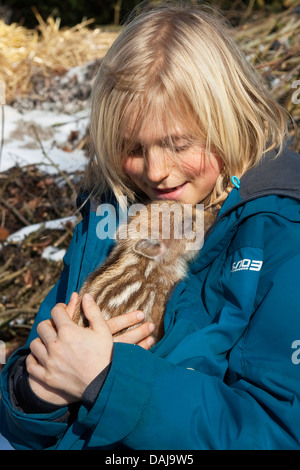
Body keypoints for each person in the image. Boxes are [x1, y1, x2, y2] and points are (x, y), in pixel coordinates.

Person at [1, 1, 300, 450]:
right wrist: (34, 394)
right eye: (132, 147)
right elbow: (41, 360)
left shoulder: (277, 231)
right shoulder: (113, 211)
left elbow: (276, 431)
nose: (156, 171)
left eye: (178, 144)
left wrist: (110, 381)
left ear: (230, 118)